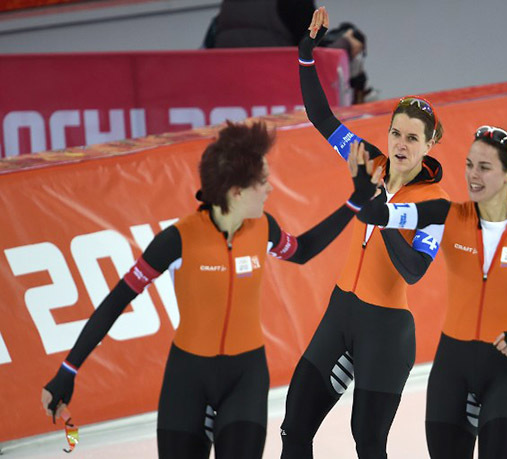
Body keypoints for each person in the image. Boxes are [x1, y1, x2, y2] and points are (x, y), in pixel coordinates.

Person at [41, 120, 381, 459]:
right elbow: (117, 301)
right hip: (188, 379)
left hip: (245, 379)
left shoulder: (263, 228)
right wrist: (68, 371)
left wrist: (356, 200)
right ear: (236, 192)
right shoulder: (177, 240)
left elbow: (303, 251)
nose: (270, 189)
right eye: (262, 182)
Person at [279, 7, 449, 458]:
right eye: (396, 133)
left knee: (368, 443)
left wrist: (384, 218)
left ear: (430, 145)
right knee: (294, 428)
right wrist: (305, 56)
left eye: (413, 138)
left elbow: (414, 271)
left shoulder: (435, 203)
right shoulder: (369, 162)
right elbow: (321, 116)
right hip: (341, 314)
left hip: (386, 331)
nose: (400, 145)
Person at [356, 125, 507, 458]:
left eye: (484, 167)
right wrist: (372, 196)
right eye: (470, 164)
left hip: (505, 370)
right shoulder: (446, 216)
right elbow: (385, 214)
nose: (473, 175)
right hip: (452, 370)